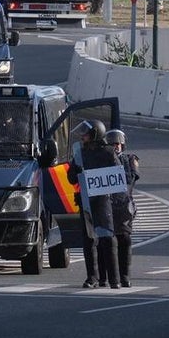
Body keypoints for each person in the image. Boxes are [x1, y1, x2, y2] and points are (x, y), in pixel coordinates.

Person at [68, 119, 121, 289]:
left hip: (103, 199)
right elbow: (70, 178)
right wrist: (75, 170)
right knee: (89, 240)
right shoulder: (80, 154)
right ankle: (93, 277)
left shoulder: (108, 152)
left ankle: (114, 279)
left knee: (107, 238)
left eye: (86, 134)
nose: (82, 137)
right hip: (85, 200)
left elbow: (118, 175)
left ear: (95, 134)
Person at [103, 129, 140, 288]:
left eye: (117, 144)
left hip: (123, 206)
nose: (115, 146)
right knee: (104, 242)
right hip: (105, 206)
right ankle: (104, 277)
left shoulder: (129, 159)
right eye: (112, 144)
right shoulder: (101, 160)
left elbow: (130, 179)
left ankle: (125, 276)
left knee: (125, 239)